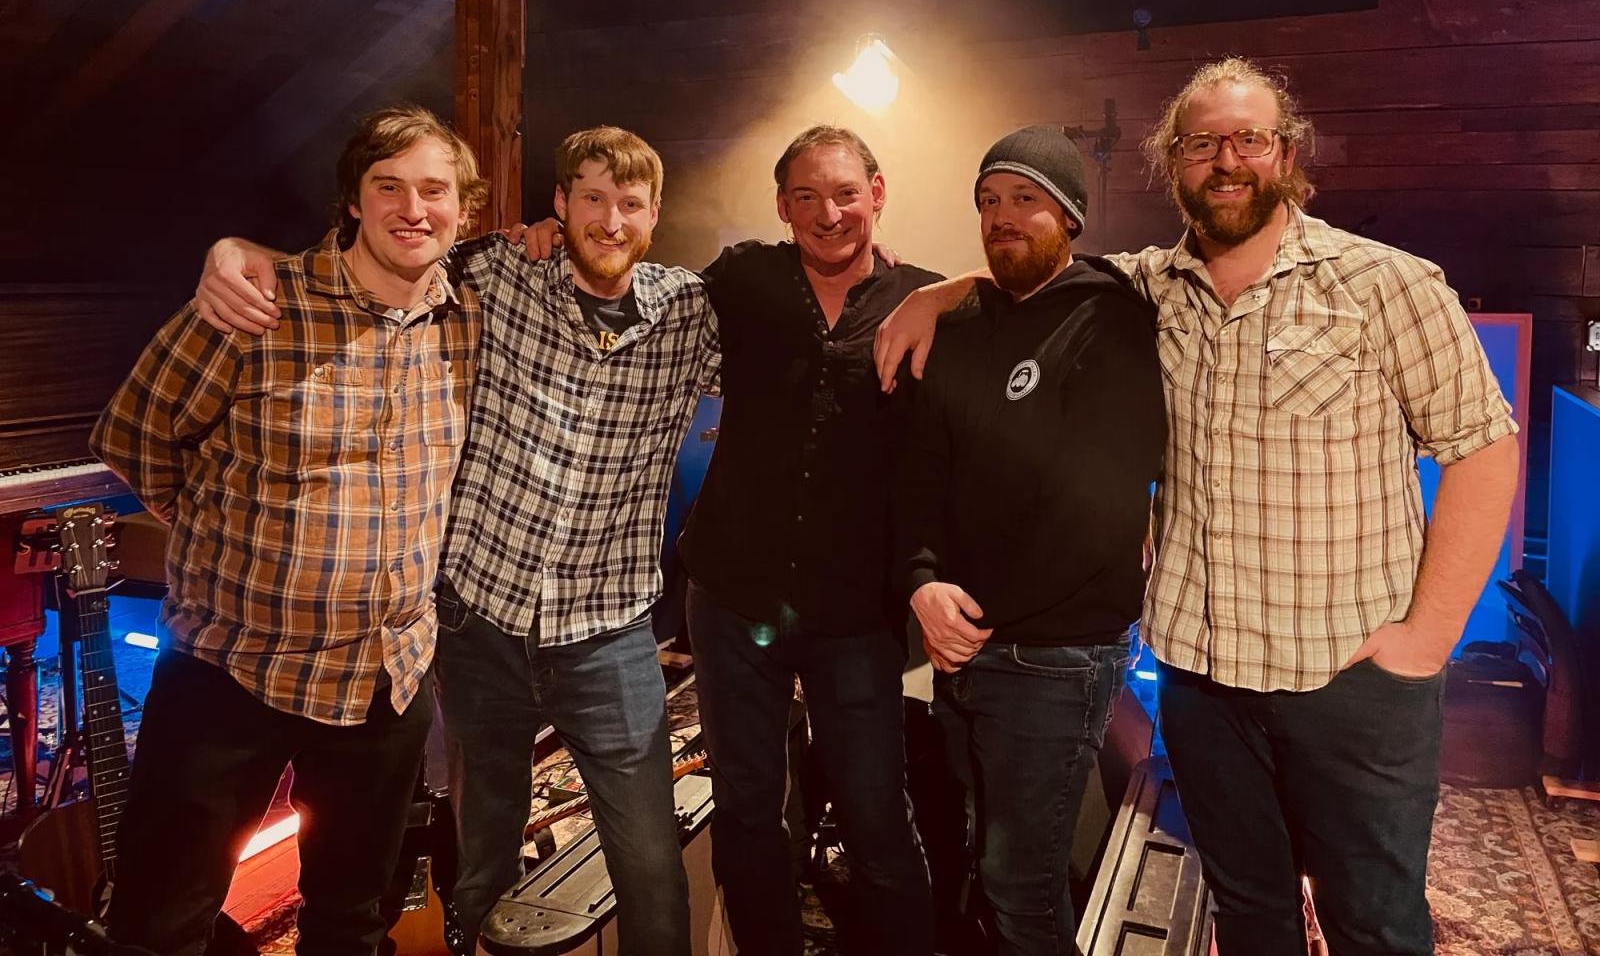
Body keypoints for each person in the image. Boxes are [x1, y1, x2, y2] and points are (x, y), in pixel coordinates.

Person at [875, 59, 1521, 956]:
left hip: (1351, 678)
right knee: (1246, 914)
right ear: (1172, 163)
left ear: (1287, 153)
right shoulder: (1146, 288)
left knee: (1373, 923)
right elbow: (1039, 267)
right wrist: (932, 292)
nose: (1226, 160)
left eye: (1248, 138)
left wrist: (1429, 636)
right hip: (1205, 683)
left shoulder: (1385, 285)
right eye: (1201, 142)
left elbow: (1484, 449)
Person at [194, 126, 720, 954]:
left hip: (609, 633)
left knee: (650, 865)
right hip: (479, 625)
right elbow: (378, 252)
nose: (609, 220)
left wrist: (904, 293)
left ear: (656, 215)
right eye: (590, 198)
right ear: (559, 203)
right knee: (483, 855)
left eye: (628, 204)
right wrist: (238, 250)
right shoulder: (495, 271)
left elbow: (794, 364)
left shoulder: (691, 311)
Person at [513, 124, 938, 956]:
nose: (828, 213)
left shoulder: (921, 299)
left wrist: (950, 291)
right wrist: (540, 237)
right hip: (734, 597)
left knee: (877, 814)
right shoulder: (741, 278)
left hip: (858, 609)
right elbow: (628, 284)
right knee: (748, 809)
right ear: (781, 206)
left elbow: (1032, 291)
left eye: (846, 193)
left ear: (878, 195)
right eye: (806, 196)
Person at [92, 105, 484, 956]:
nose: (413, 209)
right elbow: (134, 436)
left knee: (352, 922)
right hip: (231, 671)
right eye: (388, 187)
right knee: (160, 923)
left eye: (433, 190)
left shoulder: (471, 323)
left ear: (465, 210)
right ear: (352, 202)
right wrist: (224, 535)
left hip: (384, 679)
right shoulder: (255, 306)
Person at [896, 126, 1165, 955]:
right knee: (985, 859)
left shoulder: (1111, 323)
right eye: (987, 202)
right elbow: (924, 474)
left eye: (1025, 200)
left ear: (1071, 216)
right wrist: (925, 583)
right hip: (965, 646)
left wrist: (981, 613)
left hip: (1055, 655)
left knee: (1023, 884)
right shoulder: (967, 328)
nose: (1001, 218)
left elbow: (1099, 510)